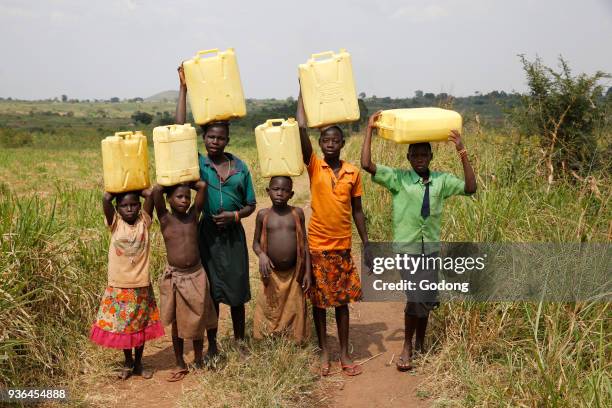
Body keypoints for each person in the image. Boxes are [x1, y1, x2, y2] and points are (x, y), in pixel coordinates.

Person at [360, 111, 477, 371]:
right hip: (407, 251)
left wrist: (462, 152)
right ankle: (407, 347)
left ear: (431, 157)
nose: (420, 159)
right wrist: (369, 130)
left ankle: (422, 344)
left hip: (431, 250)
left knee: (425, 298)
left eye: (425, 155)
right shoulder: (399, 179)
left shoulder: (442, 181)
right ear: (408, 157)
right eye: (416, 155)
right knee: (414, 297)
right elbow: (367, 164)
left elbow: (470, 188)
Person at [176, 65, 257, 363]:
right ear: (204, 139)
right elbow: (179, 130)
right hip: (206, 234)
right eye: (210, 137)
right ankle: (212, 345)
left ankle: (239, 342)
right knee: (209, 291)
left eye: (220, 138)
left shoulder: (240, 168)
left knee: (236, 291)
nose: (214, 142)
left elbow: (251, 204)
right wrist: (183, 89)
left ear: (227, 140)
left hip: (233, 236)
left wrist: (235, 217)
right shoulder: (197, 164)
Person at [296, 91, 369, 376]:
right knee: (319, 303)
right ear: (319, 144)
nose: (330, 144)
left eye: (334, 141)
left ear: (342, 143)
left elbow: (358, 211)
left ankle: (344, 353)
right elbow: (300, 127)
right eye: (325, 141)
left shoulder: (352, 173)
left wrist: (366, 242)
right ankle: (324, 352)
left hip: (343, 247)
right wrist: (303, 91)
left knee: (341, 303)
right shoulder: (315, 165)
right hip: (318, 246)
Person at [90, 189, 164, 380]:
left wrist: (137, 187)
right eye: (124, 206)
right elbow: (106, 198)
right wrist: (121, 186)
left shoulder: (144, 223)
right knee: (124, 327)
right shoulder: (115, 223)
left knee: (140, 326)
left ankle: (139, 363)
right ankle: (128, 362)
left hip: (141, 285)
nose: (129, 209)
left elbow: (150, 195)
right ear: (117, 209)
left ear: (139, 207)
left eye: (133, 205)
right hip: (119, 286)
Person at [153, 181, 218, 381]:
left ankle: (198, 358)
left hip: (196, 274)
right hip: (176, 276)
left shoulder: (192, 216)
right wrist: (171, 180)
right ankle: (180, 361)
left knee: (199, 318)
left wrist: (186, 180)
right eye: (179, 196)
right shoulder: (165, 218)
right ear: (168, 200)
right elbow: (156, 190)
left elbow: (203, 187)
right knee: (176, 323)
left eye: (187, 197)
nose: (184, 200)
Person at [252, 176, 312, 343]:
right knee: (268, 306)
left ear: (291, 194)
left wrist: (307, 272)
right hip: (271, 273)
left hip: (294, 273)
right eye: (276, 189)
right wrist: (262, 255)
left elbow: (305, 243)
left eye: (285, 190)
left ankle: (294, 338)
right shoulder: (263, 215)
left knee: (294, 306)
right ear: (268, 191)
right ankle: (266, 338)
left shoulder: (297, 213)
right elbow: (255, 243)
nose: (280, 193)